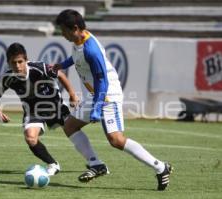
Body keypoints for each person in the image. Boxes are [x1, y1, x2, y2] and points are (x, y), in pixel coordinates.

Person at [52, 9, 173, 190]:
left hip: (106, 95)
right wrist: (62, 65)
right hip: (94, 95)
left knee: (116, 140)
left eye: (63, 30)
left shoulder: (91, 49)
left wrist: (97, 107)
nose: (62, 34)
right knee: (69, 125)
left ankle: (160, 167)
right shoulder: (79, 40)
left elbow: (102, 81)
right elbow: (77, 57)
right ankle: (96, 164)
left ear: (75, 28)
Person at [0, 42, 106, 176]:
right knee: (30, 138)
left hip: (56, 106)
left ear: (26, 60)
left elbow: (60, 75)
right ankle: (52, 164)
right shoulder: (7, 78)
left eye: (20, 61)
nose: (17, 66)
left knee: (72, 129)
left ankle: (95, 162)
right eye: (13, 63)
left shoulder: (40, 68)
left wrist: (72, 95)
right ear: (8, 63)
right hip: (33, 111)